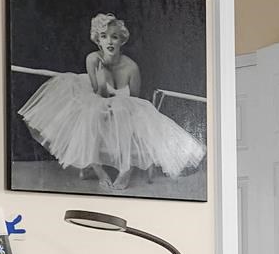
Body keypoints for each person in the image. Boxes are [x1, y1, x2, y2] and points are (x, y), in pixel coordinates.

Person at [18, 12, 204, 189]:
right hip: (97, 99)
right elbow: (98, 94)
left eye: (114, 37)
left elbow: (134, 100)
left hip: (124, 108)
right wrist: (101, 80)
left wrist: (116, 105)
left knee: (122, 109)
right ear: (98, 40)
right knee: (92, 112)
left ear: (121, 40)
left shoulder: (131, 67)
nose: (109, 41)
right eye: (104, 36)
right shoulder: (92, 59)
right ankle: (98, 170)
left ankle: (125, 169)